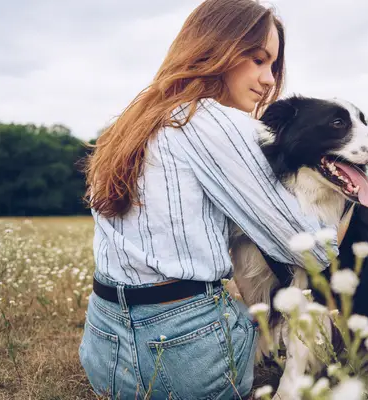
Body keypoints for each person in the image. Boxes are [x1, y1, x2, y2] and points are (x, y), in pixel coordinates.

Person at [79, 0, 339, 398]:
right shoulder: (215, 120)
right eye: (257, 60)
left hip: (103, 348)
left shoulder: (135, 121)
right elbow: (310, 251)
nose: (268, 79)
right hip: (183, 358)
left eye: (273, 66)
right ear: (216, 49)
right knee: (300, 321)